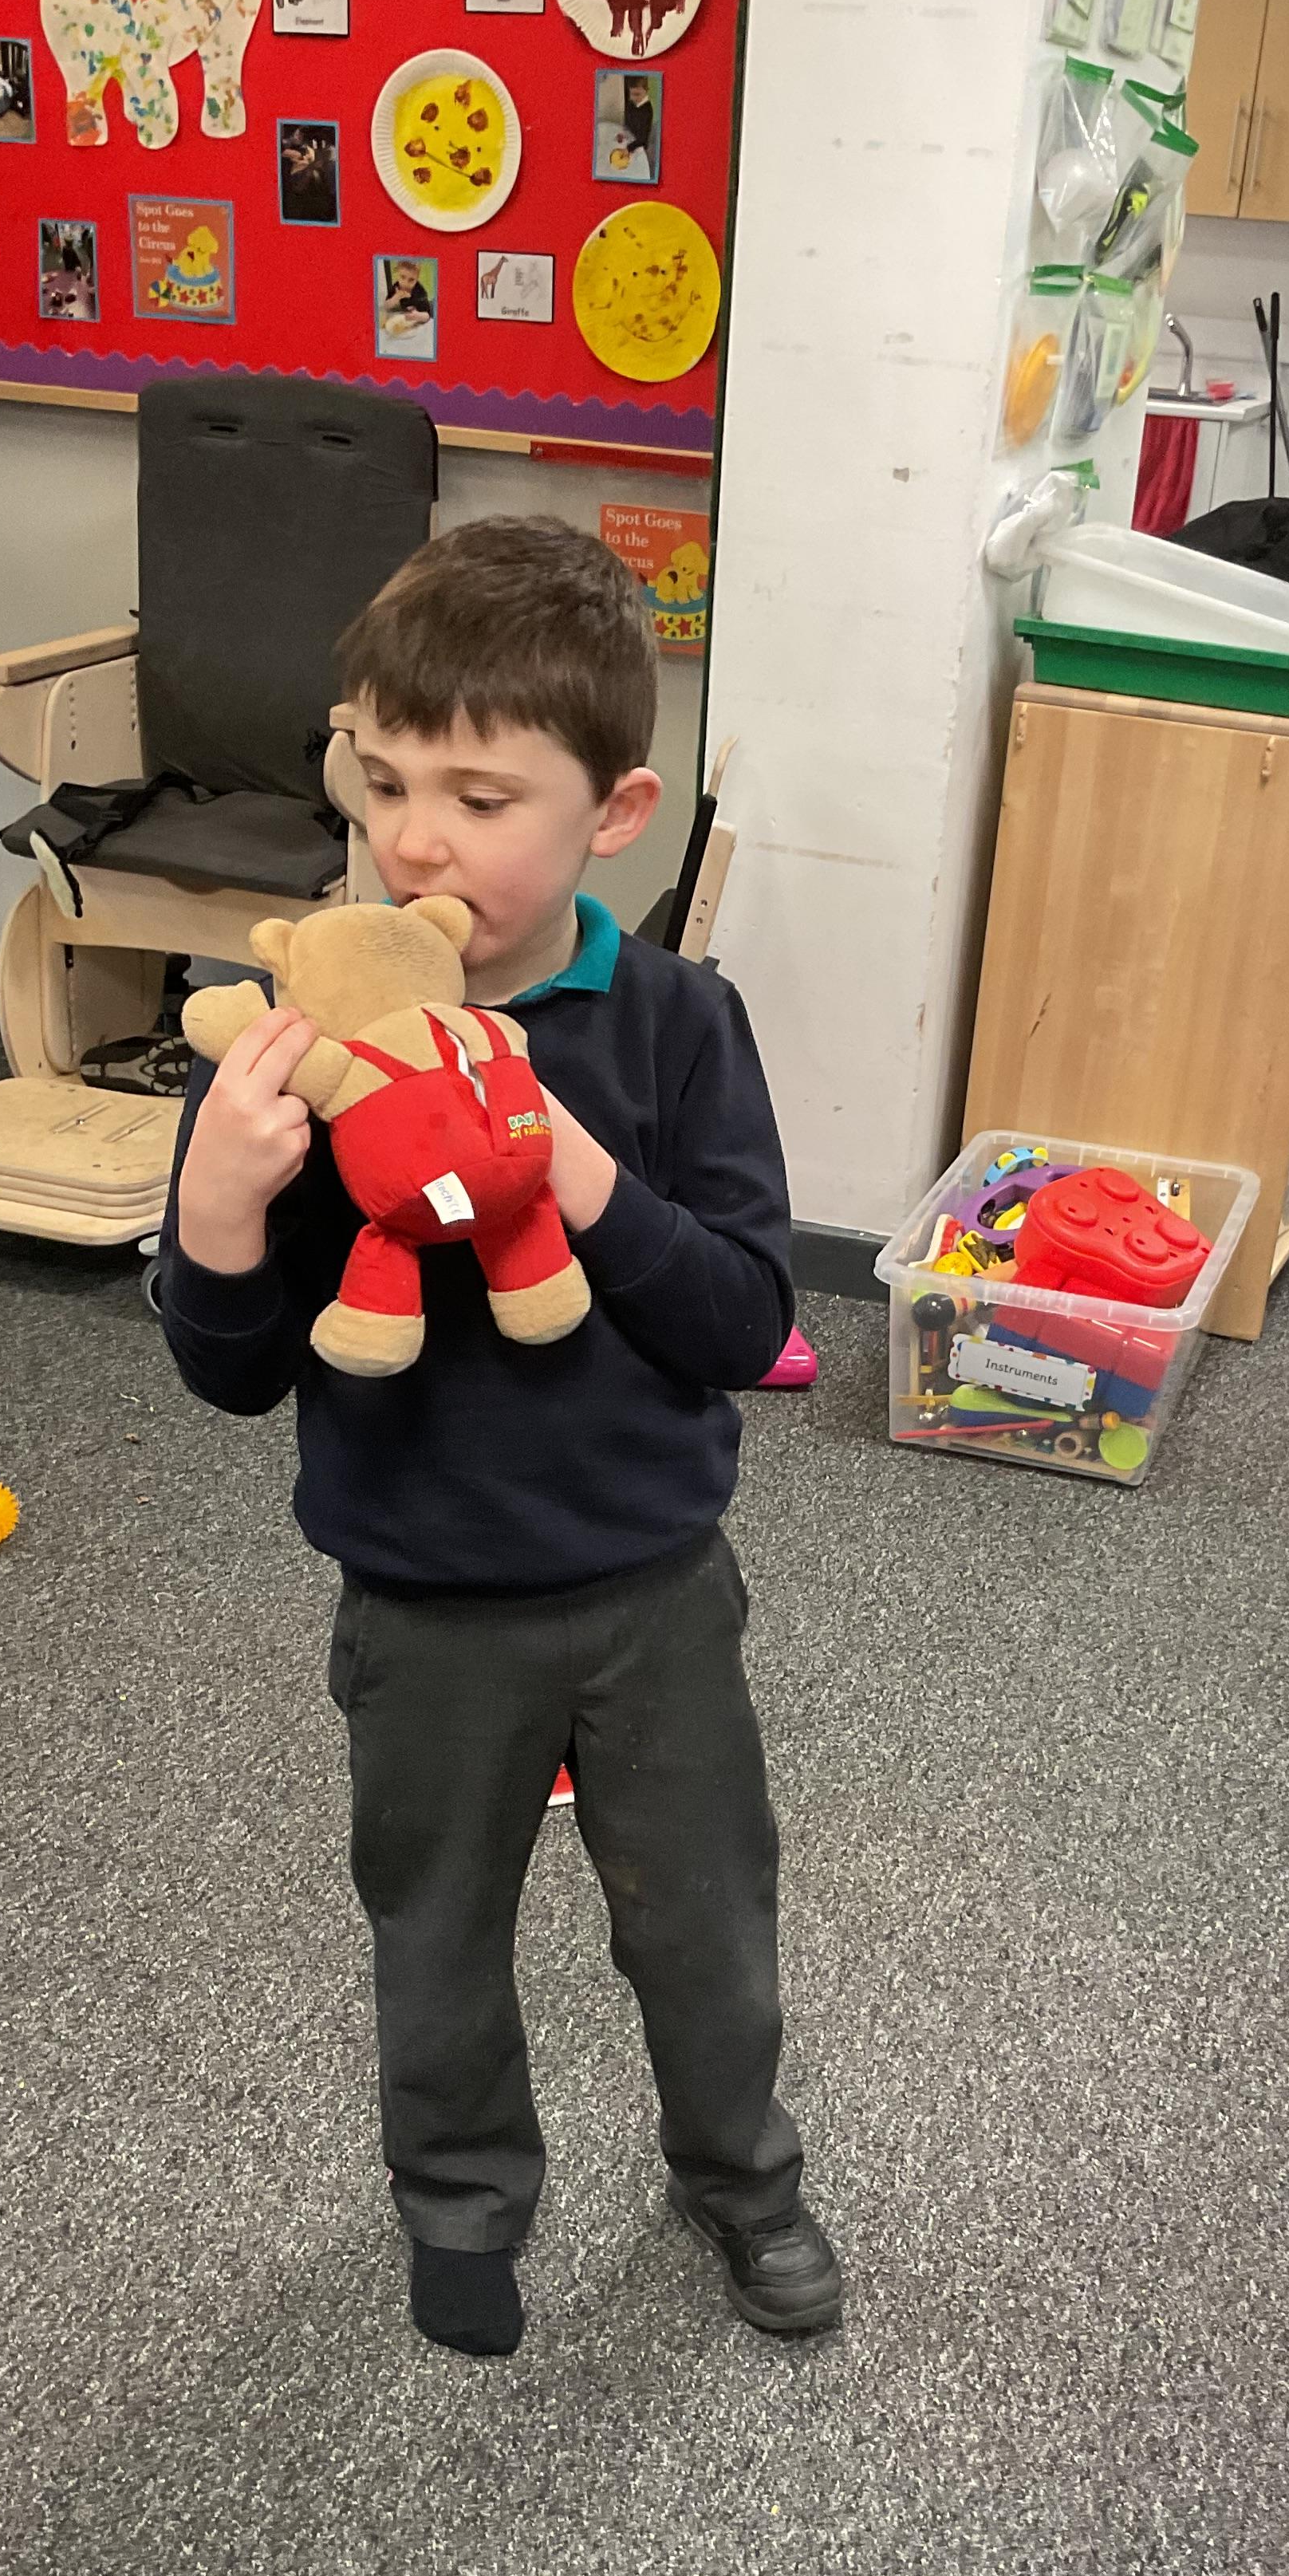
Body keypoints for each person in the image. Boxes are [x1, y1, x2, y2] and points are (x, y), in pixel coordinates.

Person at [156, 518, 842, 2363]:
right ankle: (459, 2201)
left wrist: (574, 1166)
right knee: (437, 1929)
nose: (416, 841)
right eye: (385, 781)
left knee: (704, 1922)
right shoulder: (304, 1043)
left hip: (652, 1587)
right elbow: (233, 1375)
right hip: (425, 1598)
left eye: (480, 797)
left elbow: (749, 1328)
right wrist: (219, 1211)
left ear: (614, 813)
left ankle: (743, 2177)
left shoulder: (680, 1024)